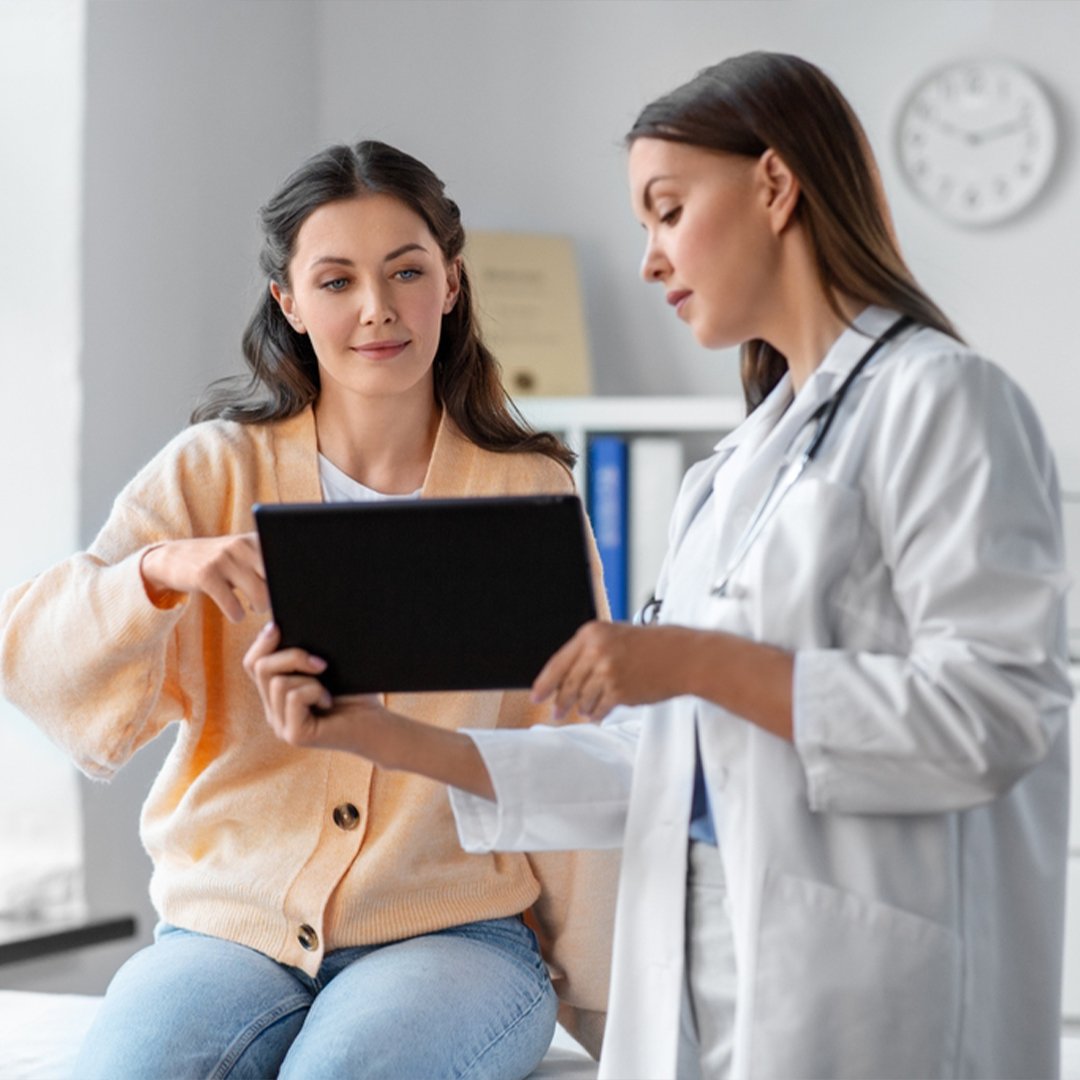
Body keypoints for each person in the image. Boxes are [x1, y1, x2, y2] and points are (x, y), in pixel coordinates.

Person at [246, 53, 1073, 1080]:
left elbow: (996, 714)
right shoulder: (731, 472)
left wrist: (691, 661)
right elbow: (648, 765)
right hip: (707, 976)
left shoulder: (943, 400)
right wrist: (386, 735)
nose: (649, 259)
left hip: (869, 991)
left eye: (668, 211)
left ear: (774, 186)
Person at [0, 139, 619, 1079]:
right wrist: (159, 571)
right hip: (227, 931)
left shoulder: (524, 492)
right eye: (336, 280)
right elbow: (37, 660)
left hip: (454, 935)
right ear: (289, 302)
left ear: (450, 284)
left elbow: (569, 748)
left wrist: (611, 1005)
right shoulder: (212, 470)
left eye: (406, 271)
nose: (376, 308)